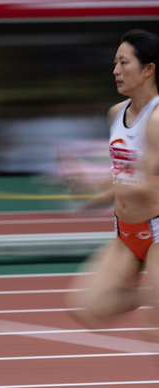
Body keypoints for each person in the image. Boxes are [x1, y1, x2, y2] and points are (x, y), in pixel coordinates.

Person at [68, 30, 159, 332]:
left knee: (154, 329)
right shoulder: (115, 114)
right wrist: (88, 193)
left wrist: (106, 186)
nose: (116, 71)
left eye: (123, 62)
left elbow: (151, 185)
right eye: (115, 63)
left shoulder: (157, 120)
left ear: (149, 69)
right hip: (126, 233)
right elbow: (119, 174)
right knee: (87, 306)